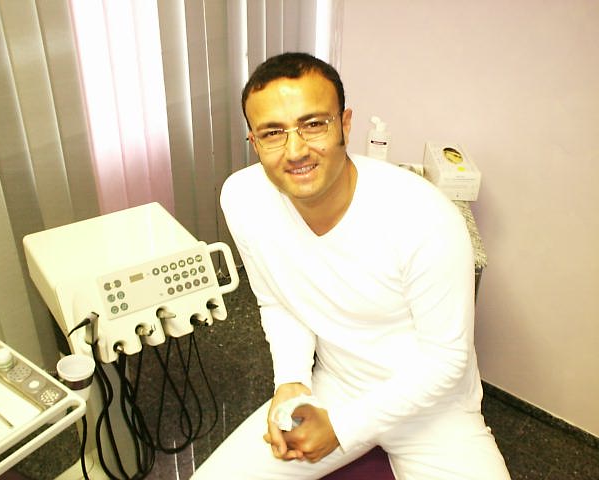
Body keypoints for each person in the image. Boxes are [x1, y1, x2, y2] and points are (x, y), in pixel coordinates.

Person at [192, 52, 510, 479]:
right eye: (273, 132)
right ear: (254, 141)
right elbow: (279, 301)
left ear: (344, 124)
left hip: (433, 409)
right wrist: (291, 381)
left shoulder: (424, 217)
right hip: (338, 387)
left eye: (313, 124)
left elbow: (447, 360)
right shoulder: (244, 199)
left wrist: (345, 428)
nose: (295, 150)